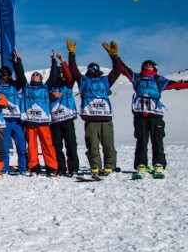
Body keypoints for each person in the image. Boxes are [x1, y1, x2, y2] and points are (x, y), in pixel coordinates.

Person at [113, 43, 188, 178]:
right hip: (140, 115)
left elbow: (178, 84)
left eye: (151, 65)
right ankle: (141, 164)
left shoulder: (159, 79)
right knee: (141, 140)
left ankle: (158, 164)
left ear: (155, 68)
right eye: (146, 65)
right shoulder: (137, 77)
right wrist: (114, 56)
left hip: (156, 115)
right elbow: (123, 69)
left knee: (157, 140)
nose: (148, 66)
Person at [67, 39, 121, 176]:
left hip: (105, 118)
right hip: (90, 119)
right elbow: (73, 71)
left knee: (108, 145)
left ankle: (109, 165)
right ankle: (95, 166)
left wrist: (113, 55)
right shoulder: (84, 81)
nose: (93, 70)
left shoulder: (105, 80)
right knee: (92, 146)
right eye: (91, 69)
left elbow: (117, 70)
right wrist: (71, 54)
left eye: (95, 68)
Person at [17, 51, 59, 177]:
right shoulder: (26, 87)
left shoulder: (46, 87)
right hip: (30, 121)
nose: (35, 75)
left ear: (41, 78)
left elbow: (53, 75)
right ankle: (34, 167)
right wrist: (19, 60)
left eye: (37, 75)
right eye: (34, 75)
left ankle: (51, 167)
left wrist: (54, 61)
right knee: (32, 146)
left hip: (43, 121)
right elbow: (20, 75)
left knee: (47, 145)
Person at [0, 52, 28, 174]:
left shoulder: (15, 85)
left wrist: (18, 62)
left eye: (6, 75)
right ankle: (4, 168)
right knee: (4, 146)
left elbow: (22, 78)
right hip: (3, 119)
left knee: (21, 146)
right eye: (2, 74)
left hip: (16, 119)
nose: (4, 77)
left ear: (10, 76)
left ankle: (23, 168)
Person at [48, 52, 79, 177]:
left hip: (67, 118)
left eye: (62, 73)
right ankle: (61, 168)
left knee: (71, 144)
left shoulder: (68, 84)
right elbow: (44, 99)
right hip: (55, 120)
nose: (60, 75)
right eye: (58, 73)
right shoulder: (50, 86)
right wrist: (52, 96)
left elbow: (69, 75)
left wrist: (62, 60)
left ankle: (73, 168)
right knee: (57, 146)